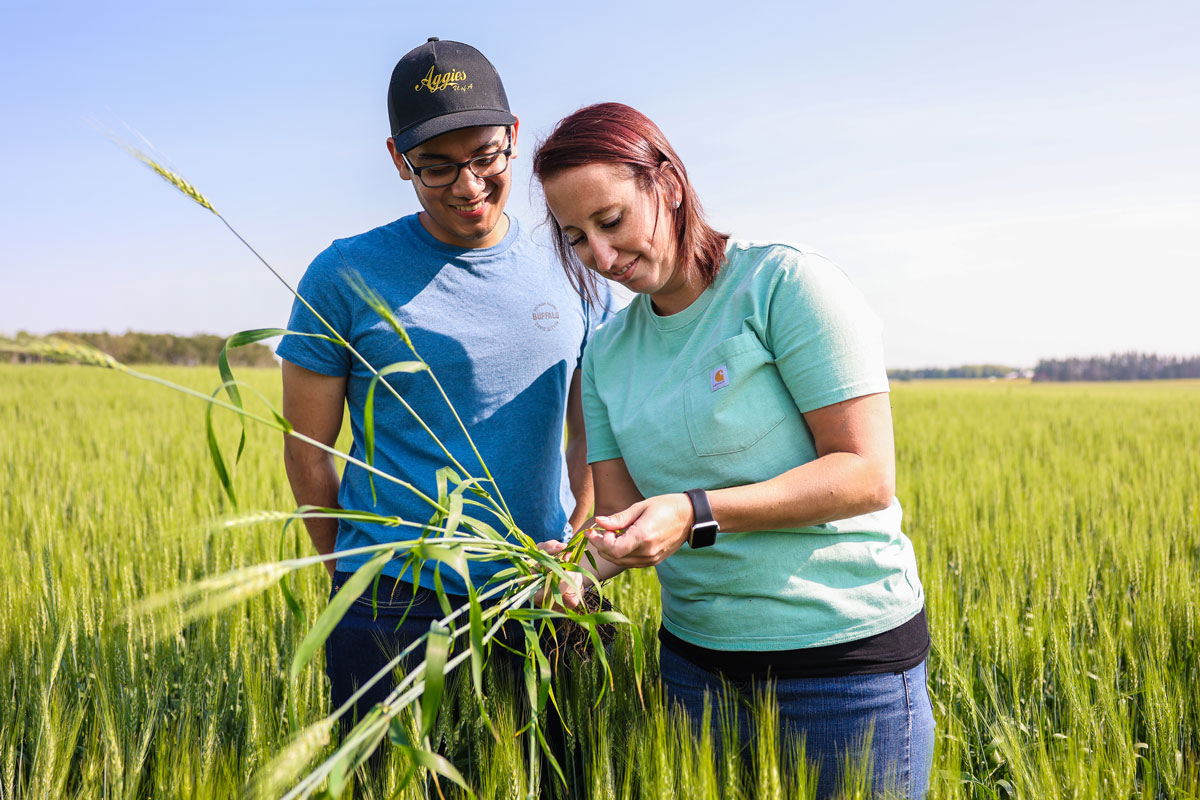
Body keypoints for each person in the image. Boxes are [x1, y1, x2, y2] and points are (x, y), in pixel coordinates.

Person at [532, 103, 934, 799]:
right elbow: (622, 522)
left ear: (669, 185)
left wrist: (694, 512)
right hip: (696, 676)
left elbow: (865, 474)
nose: (601, 257)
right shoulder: (604, 354)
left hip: (842, 673)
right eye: (575, 238)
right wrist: (571, 572)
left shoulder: (782, 286)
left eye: (611, 220)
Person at [277, 38, 610, 728]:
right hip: (391, 602)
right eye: (435, 167)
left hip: (542, 586)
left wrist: (576, 553)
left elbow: (593, 437)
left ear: (515, 137)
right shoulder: (342, 276)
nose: (468, 186)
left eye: (487, 157)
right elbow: (308, 453)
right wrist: (354, 580)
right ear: (397, 159)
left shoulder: (576, 264)